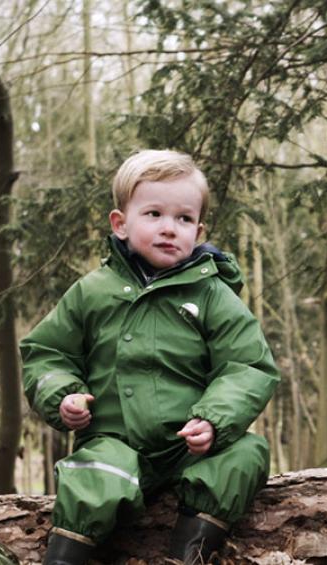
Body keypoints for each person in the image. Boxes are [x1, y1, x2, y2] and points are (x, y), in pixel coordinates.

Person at [22, 150, 280, 564]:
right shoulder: (92, 292)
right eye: (154, 214)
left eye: (183, 219)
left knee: (246, 454)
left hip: (189, 448)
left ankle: (191, 552)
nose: (169, 228)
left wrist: (214, 419)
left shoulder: (212, 295)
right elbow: (46, 352)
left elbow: (248, 365)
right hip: (114, 440)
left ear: (199, 229)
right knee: (94, 476)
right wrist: (63, 396)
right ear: (121, 225)